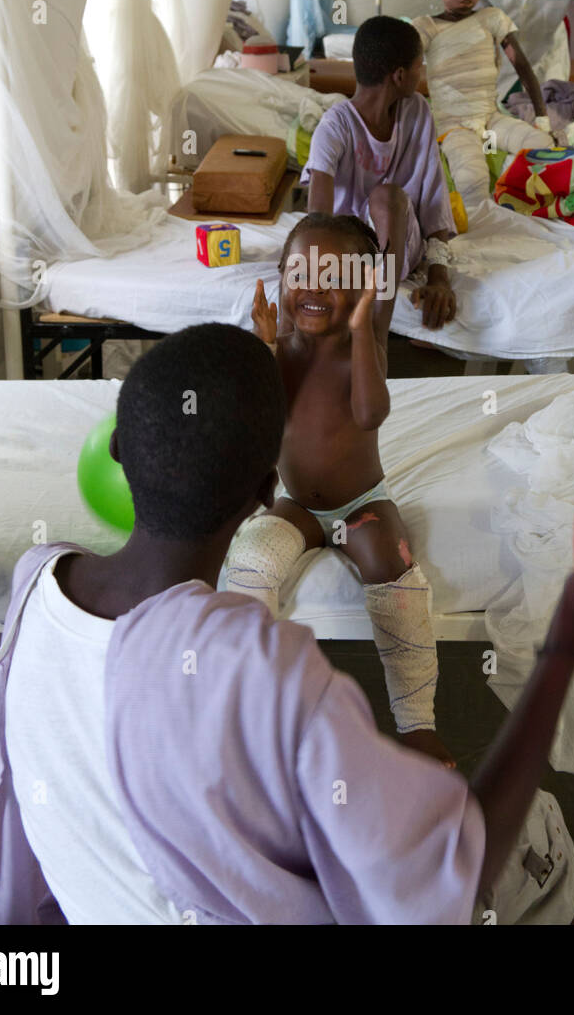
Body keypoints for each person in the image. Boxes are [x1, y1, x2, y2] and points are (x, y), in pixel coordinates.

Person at [0, 322, 574, 925]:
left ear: (116, 448)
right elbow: (449, 873)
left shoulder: (36, 589)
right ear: (264, 492)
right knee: (533, 825)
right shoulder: (259, 670)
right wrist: (562, 644)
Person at [228, 211, 452, 767]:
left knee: (392, 562)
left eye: (334, 275)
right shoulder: (278, 342)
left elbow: (370, 412)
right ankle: (248, 705)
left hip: (361, 505)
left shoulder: (364, 342)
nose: (313, 286)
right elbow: (256, 420)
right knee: (251, 557)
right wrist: (260, 352)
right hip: (297, 504)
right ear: (280, 277)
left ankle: (417, 720)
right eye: (299, 271)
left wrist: (361, 332)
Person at [301, 15, 457, 331]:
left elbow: (433, 200)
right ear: (399, 75)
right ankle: (376, 339)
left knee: (387, 197)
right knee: (379, 201)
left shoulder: (417, 112)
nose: (421, 74)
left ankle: (377, 331)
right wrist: (316, 277)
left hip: (401, 247)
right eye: (419, 66)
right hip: (349, 253)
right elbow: (317, 214)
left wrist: (439, 277)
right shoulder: (336, 125)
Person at [412, 0, 558, 151]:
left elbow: (523, 67)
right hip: (454, 126)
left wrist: (543, 121)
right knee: (471, 177)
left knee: (541, 144)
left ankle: (492, 156)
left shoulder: (491, 19)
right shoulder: (426, 28)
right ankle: (481, 164)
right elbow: (403, 71)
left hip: (490, 122)